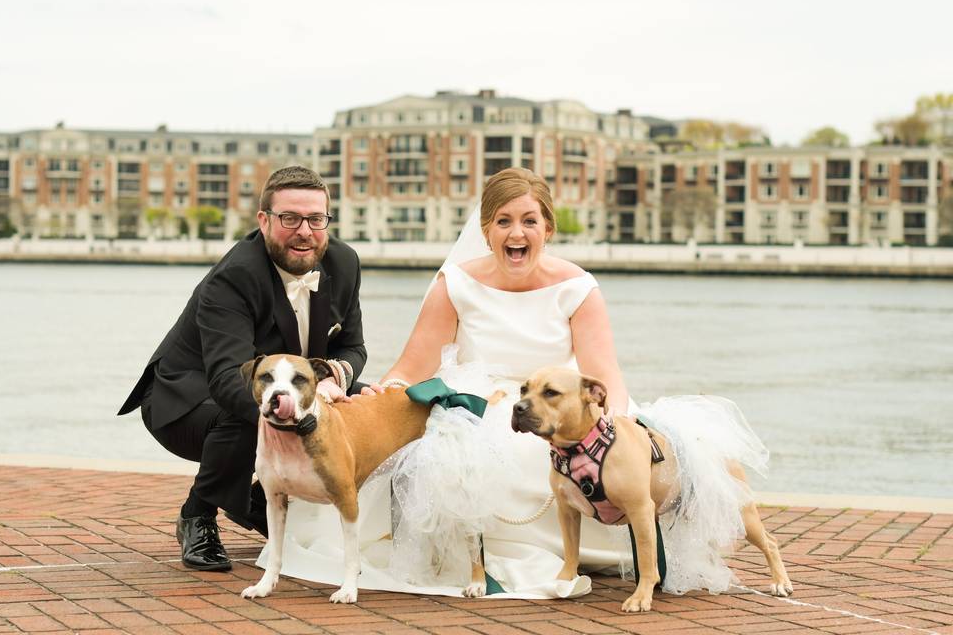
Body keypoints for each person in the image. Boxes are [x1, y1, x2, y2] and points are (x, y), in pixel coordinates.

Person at [259, 167, 768, 598]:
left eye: (529, 221)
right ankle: (479, 563)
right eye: (503, 221)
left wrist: (616, 417)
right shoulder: (456, 284)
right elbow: (413, 365)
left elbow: (602, 370)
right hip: (473, 401)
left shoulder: (576, 287)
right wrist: (383, 391)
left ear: (548, 227)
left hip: (554, 405)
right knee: (453, 454)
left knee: (573, 452)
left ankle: (583, 546)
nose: (515, 233)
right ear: (486, 228)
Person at [118, 166, 366, 572]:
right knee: (245, 419)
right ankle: (197, 516)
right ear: (264, 221)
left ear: (327, 220)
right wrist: (298, 414)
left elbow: (352, 346)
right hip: (185, 398)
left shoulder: (345, 262)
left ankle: (255, 503)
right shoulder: (234, 276)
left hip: (288, 386)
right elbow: (227, 379)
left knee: (366, 405)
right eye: (290, 218)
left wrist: (336, 379)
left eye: (315, 219)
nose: (304, 230)